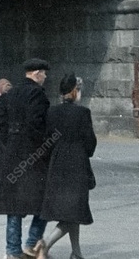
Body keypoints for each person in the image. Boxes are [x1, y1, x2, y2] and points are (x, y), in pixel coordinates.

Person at [0, 58, 51, 259]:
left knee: (13, 206)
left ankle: (12, 250)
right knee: (43, 202)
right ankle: (32, 243)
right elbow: (38, 124)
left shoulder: (11, 93)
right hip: (33, 156)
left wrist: (10, 140)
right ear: (36, 74)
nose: (45, 77)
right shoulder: (38, 94)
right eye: (44, 73)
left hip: (12, 155)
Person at [40, 74, 96, 259]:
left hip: (57, 166)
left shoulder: (51, 112)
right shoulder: (83, 113)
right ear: (74, 91)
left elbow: (47, 141)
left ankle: (76, 253)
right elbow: (90, 143)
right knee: (74, 211)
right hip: (77, 166)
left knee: (71, 212)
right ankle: (44, 246)